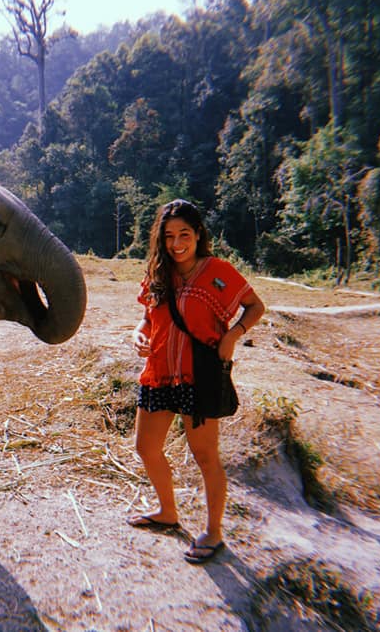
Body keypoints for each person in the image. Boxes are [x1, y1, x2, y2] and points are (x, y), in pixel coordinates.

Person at [128, 199, 265, 564]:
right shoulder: (158, 273)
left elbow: (256, 306)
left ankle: (213, 532)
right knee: (146, 447)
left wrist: (233, 335)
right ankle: (167, 512)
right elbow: (147, 318)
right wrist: (138, 334)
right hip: (159, 372)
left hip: (199, 377)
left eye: (184, 234)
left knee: (205, 456)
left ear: (199, 234)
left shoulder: (218, 271)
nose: (176, 244)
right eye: (169, 236)